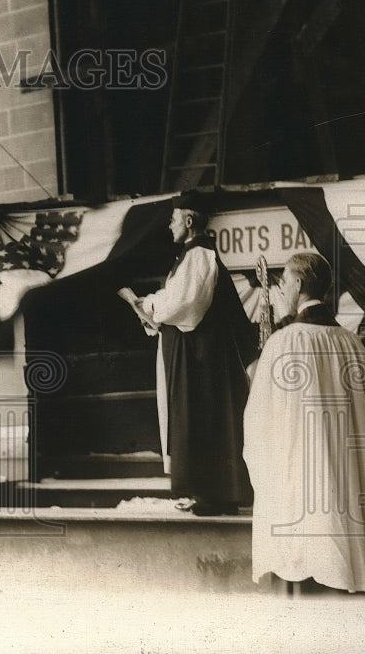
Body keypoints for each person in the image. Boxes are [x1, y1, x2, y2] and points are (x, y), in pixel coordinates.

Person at [244, 252, 365, 593]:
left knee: (301, 559)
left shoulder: (284, 342)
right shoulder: (351, 343)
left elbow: (258, 423)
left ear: (299, 285)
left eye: (285, 283)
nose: (283, 290)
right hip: (345, 478)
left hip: (299, 478)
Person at [137, 191, 257, 515]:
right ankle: (209, 494)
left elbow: (185, 306)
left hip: (203, 360)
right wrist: (153, 306)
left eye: (174, 219)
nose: (169, 224)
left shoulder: (200, 255)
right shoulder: (190, 256)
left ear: (189, 221)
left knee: (205, 419)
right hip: (196, 356)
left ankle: (213, 494)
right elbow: (177, 298)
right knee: (201, 420)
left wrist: (149, 304)